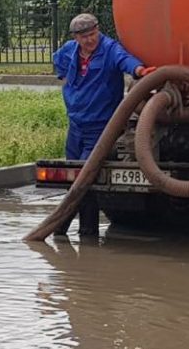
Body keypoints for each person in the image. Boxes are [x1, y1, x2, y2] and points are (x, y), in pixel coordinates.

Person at [51, 13, 155, 236]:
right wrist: (65, 80)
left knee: (84, 178)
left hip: (101, 127)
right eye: (85, 36)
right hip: (76, 124)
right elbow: (57, 61)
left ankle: (81, 232)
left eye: (93, 34)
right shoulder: (70, 50)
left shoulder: (109, 49)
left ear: (98, 30)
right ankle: (71, 234)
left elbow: (124, 60)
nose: (90, 40)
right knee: (75, 177)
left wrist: (139, 70)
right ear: (76, 38)